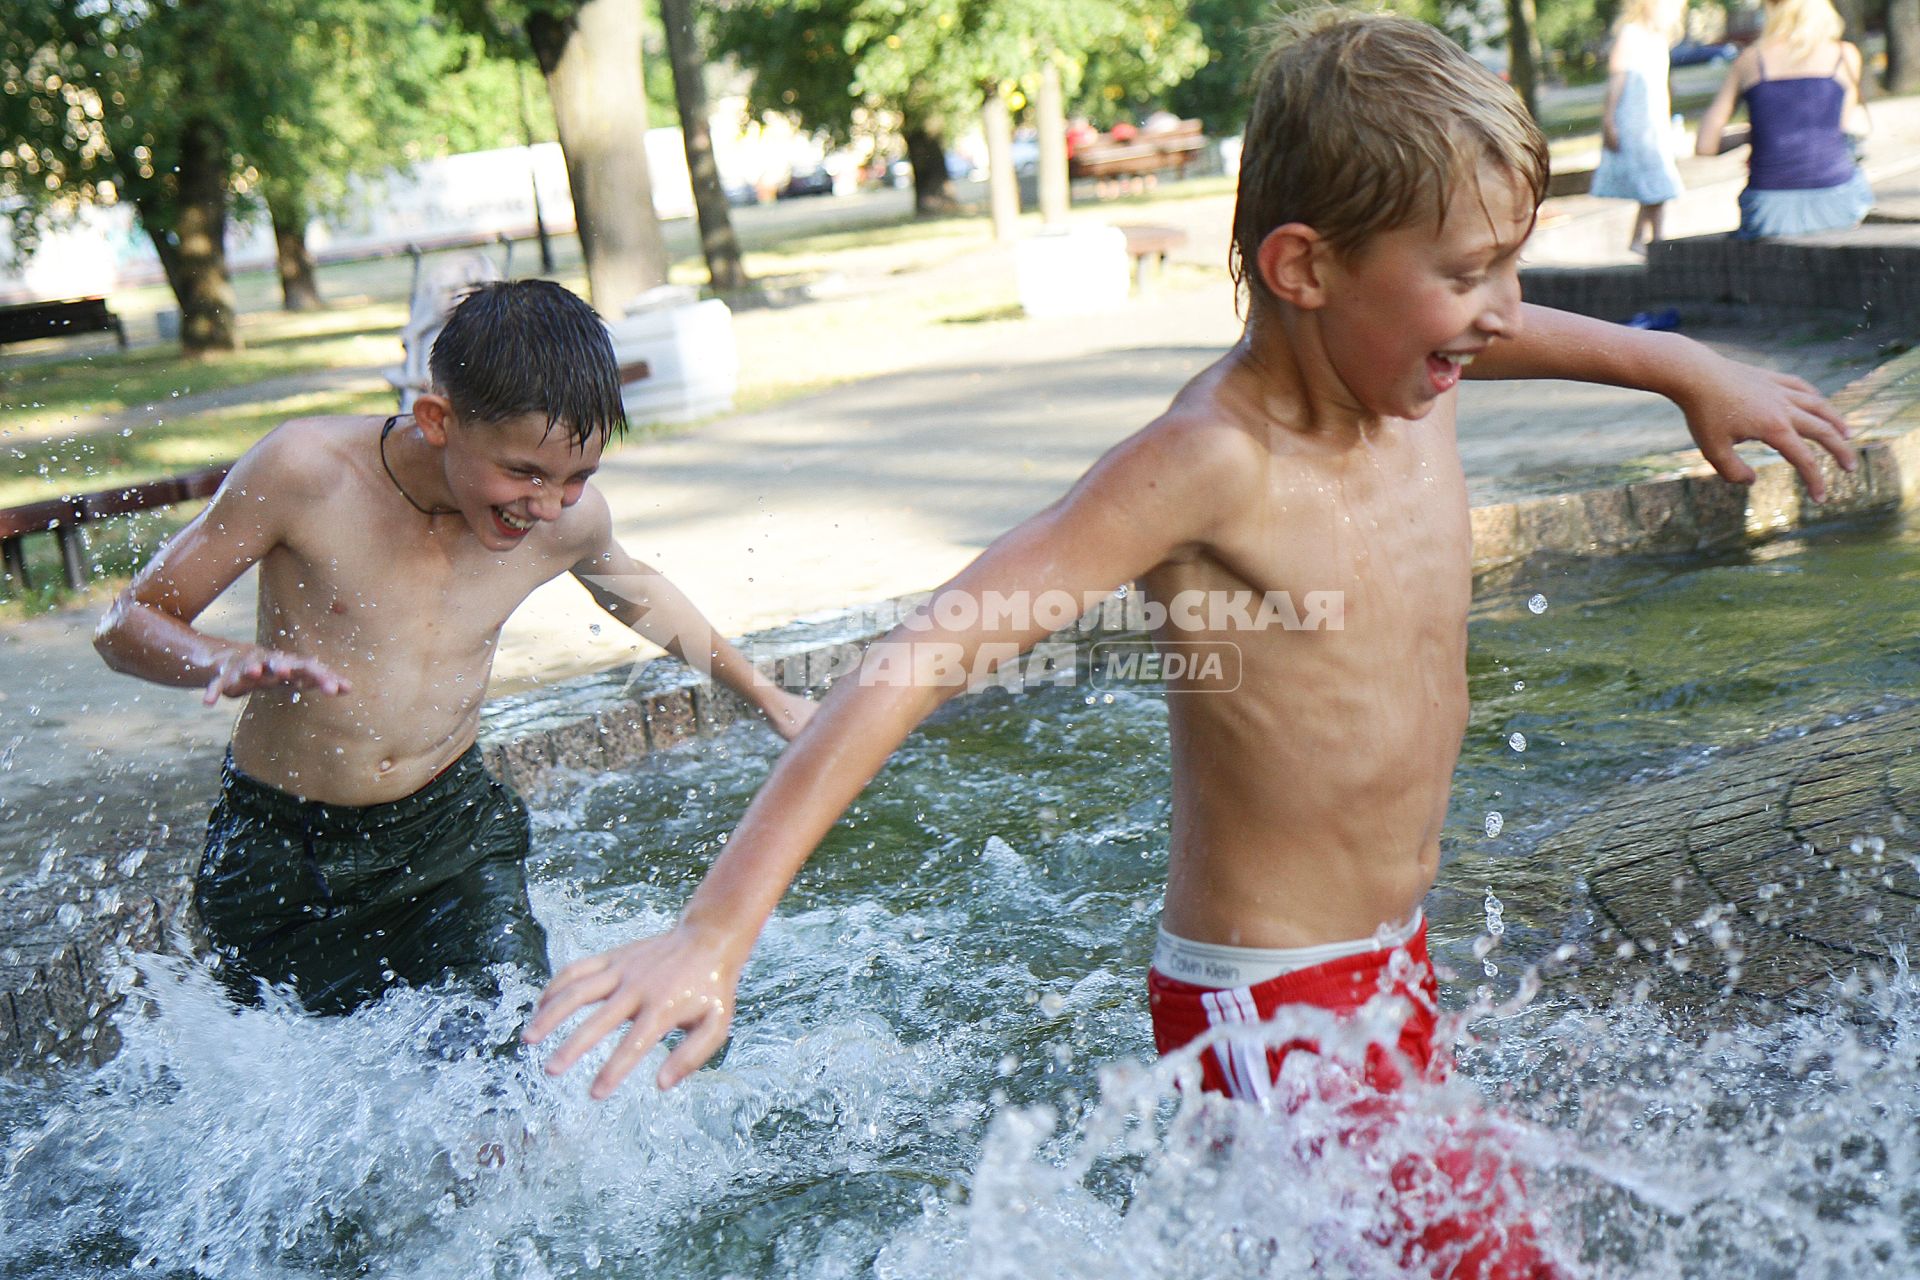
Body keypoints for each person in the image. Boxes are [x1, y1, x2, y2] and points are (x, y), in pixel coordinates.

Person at [527, 13, 1854, 1272]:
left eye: (1506, 265)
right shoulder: (1212, 461)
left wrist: (1684, 370)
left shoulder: (1408, 370)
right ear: (1304, 269)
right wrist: (714, 930)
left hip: (1388, 957)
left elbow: (1511, 335)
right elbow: (930, 650)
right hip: (1269, 999)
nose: (1502, 310)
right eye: (1467, 274)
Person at [94, 279, 813, 1039]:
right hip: (281, 850)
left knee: (512, 1060)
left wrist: (767, 695)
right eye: (525, 473)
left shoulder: (565, 522)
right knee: (295, 1100)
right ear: (438, 419)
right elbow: (127, 623)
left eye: (578, 477)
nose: (547, 504)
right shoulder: (307, 474)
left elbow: (638, 597)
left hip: (450, 836)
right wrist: (214, 659)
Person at [1695, 0, 1873, 238]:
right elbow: (1838, 128)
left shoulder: (1751, 60)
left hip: (1769, 210)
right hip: (1837, 200)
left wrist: (1756, 134)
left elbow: (1705, 145)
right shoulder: (1845, 55)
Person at [1590, 0, 1687, 255]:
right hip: (1636, 123)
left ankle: (1646, 239)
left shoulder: (1658, 39)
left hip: (1654, 122)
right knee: (1657, 183)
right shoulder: (1630, 35)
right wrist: (1609, 119)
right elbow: (1617, 79)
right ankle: (1656, 241)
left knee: (1655, 185)